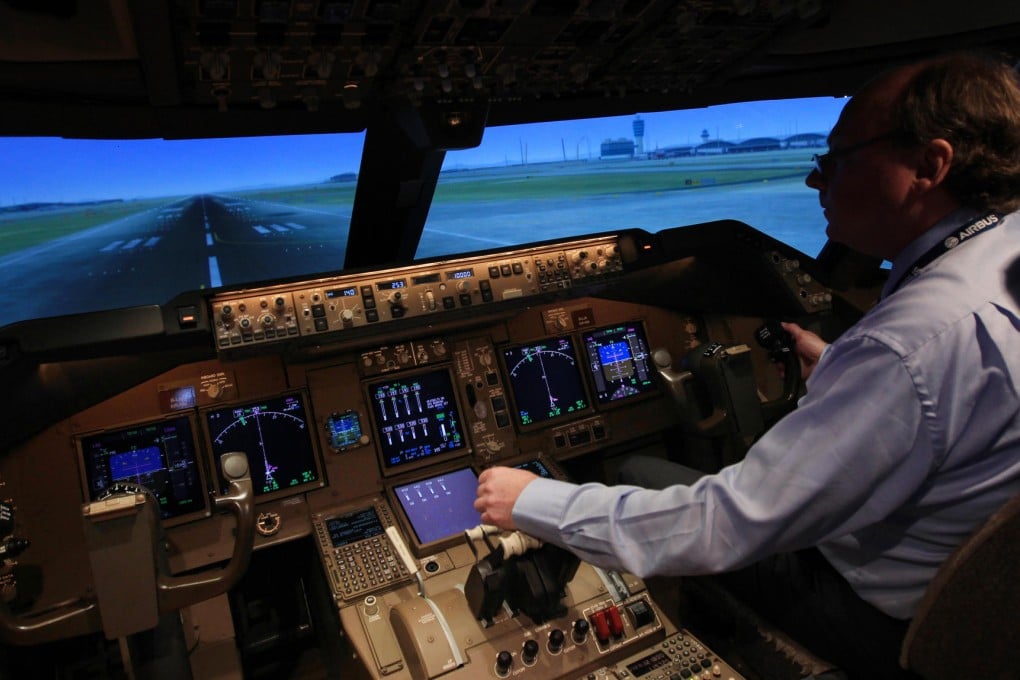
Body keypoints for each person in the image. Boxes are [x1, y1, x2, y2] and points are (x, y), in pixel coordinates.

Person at [474, 51, 1020, 678]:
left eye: (837, 158)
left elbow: (723, 526)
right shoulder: (1000, 259)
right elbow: (952, 389)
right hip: (983, 604)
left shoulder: (910, 345)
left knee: (634, 470)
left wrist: (533, 502)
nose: (815, 179)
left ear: (929, 166)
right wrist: (848, 369)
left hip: (886, 621)